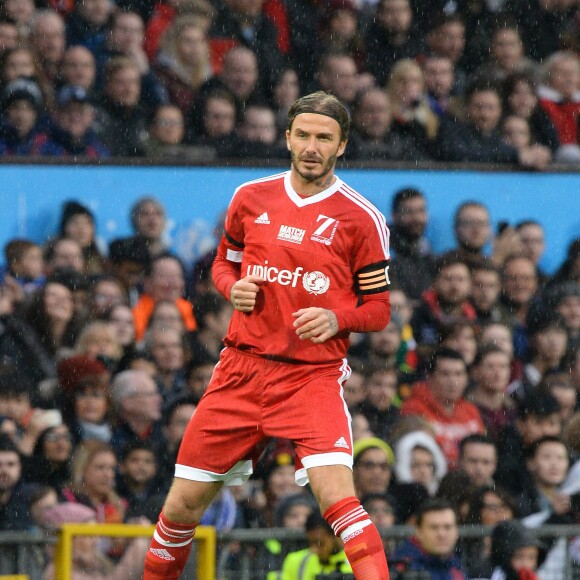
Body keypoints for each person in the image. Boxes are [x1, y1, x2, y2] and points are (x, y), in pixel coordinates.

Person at [143, 91, 391, 579]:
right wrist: (231, 288)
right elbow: (222, 264)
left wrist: (339, 319)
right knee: (180, 510)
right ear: (287, 138)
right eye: (303, 135)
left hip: (311, 377)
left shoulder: (361, 218)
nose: (312, 147)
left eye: (324, 138)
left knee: (340, 501)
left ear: (342, 146)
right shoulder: (250, 197)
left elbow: (379, 310)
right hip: (240, 369)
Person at [392, 497, 467, 579]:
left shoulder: (456, 565)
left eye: (447, 527)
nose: (441, 534)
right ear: (418, 531)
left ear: (456, 531)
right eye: (434, 527)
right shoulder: (402, 569)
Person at [280, 511, 353, 578]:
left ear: (336, 536)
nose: (314, 550)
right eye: (310, 543)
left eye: (320, 543)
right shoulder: (295, 561)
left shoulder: (356, 560)